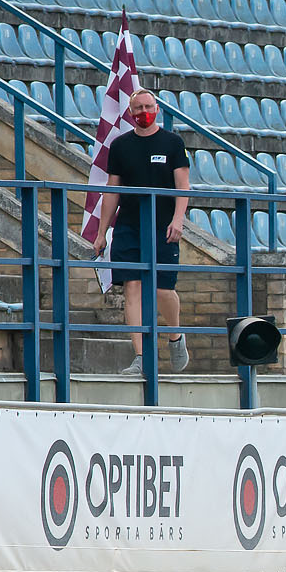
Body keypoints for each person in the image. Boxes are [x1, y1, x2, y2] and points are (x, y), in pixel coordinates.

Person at [89, 87, 192, 373]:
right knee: (132, 286)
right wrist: (101, 232)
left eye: (148, 107)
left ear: (157, 109)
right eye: (138, 108)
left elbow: (183, 186)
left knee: (162, 288)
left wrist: (178, 218)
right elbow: (112, 191)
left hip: (162, 225)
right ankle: (142, 356)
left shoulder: (173, 143)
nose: (143, 113)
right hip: (129, 225)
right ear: (130, 112)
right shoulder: (121, 145)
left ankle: (175, 335)